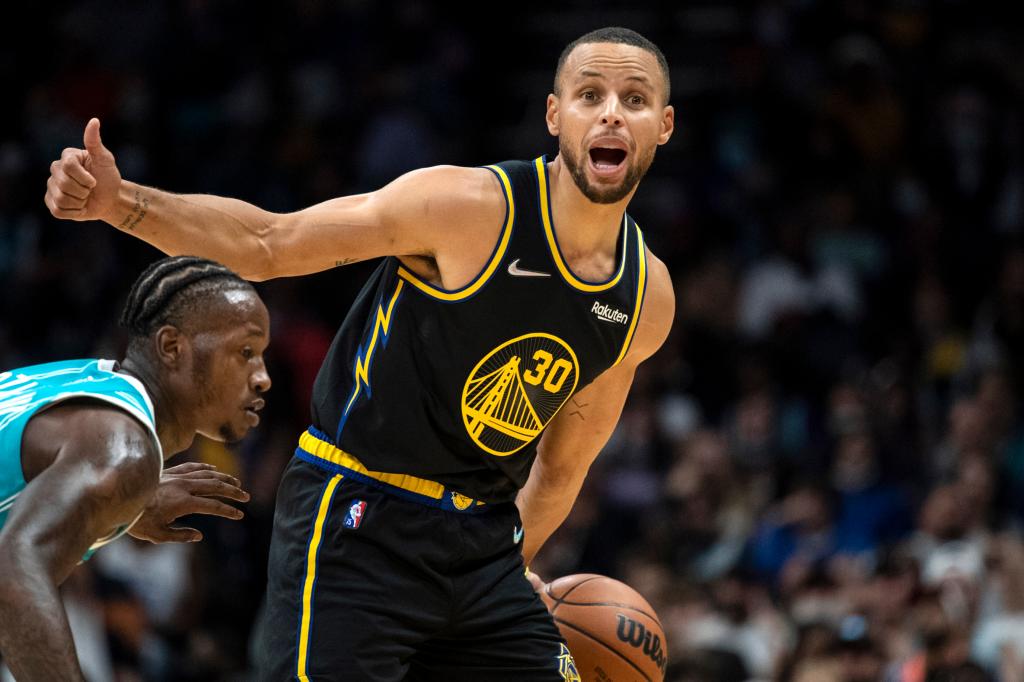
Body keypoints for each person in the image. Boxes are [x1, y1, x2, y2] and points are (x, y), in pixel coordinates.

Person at [45, 25, 675, 681]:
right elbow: (267, 242)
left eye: (633, 99)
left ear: (662, 125)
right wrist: (122, 204)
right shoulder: (466, 208)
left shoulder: (646, 297)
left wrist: (505, 575)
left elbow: (560, 471)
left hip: (481, 543)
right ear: (554, 114)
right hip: (358, 515)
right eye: (589, 93)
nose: (609, 111)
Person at [0, 256, 271, 681]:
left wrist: (125, 510)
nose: (263, 378)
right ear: (171, 347)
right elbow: (14, 565)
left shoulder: (91, 383)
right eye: (245, 352)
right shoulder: (124, 449)